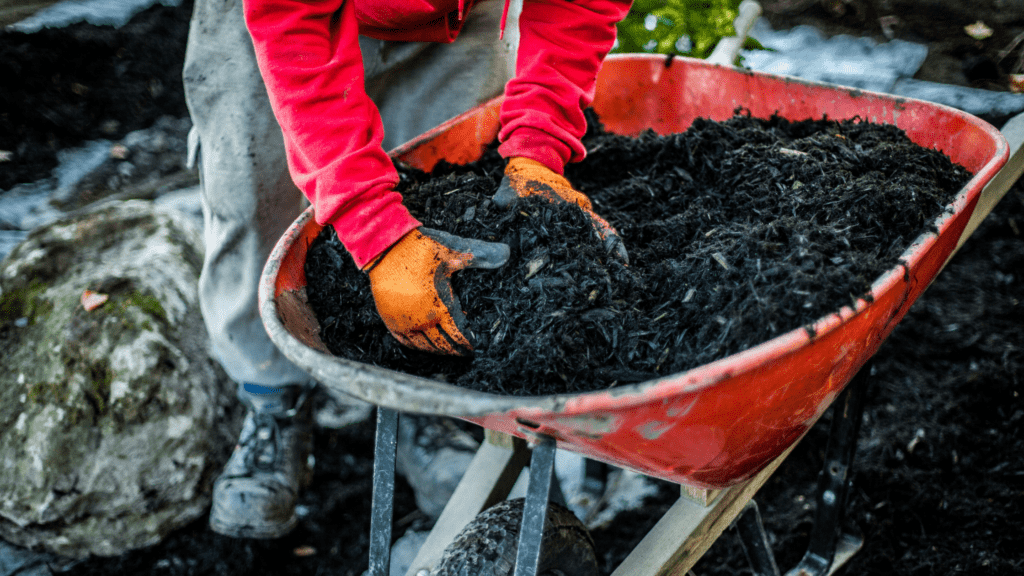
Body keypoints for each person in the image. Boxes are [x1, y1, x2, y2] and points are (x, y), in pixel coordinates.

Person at [183, 0, 630, 539]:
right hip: (275, 17)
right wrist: (374, 230)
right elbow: (288, 14)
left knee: (442, 175)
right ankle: (273, 401)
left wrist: (538, 143)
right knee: (256, 197)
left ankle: (423, 402)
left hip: (451, 14)